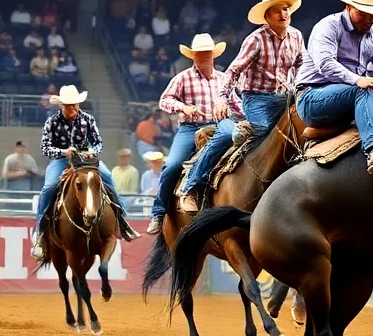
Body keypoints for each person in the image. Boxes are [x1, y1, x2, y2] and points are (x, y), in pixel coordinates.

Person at [178, 0, 305, 213]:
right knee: (264, 132)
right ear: (267, 17)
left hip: (286, 97)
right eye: (276, 11)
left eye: (285, 9)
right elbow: (234, 70)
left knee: (306, 130)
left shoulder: (296, 36)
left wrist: (304, 88)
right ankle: (192, 187)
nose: (283, 14)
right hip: (257, 99)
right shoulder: (255, 40)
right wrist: (222, 99)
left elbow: (303, 65)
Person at [294, 0, 373, 177]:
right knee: (366, 89)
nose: (368, 20)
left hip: (346, 100)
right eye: (362, 14)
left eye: (372, 15)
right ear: (348, 7)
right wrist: (357, 80)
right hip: (312, 97)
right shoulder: (328, 26)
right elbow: (325, 64)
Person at [147, 34, 241, 234]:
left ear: (213, 55)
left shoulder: (225, 79)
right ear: (193, 56)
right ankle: (159, 212)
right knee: (172, 164)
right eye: (200, 54)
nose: (204, 57)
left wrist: (247, 117)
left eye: (207, 53)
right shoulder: (182, 78)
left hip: (219, 126)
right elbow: (164, 101)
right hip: (191, 128)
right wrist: (184, 107)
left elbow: (236, 104)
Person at [30, 85, 138, 257]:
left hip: (85, 159)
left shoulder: (88, 119)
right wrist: (63, 152)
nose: (72, 108)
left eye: (75, 104)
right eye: (68, 105)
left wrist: (92, 152)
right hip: (60, 161)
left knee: (108, 176)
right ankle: (39, 233)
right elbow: (45, 148)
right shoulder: (52, 122)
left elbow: (98, 143)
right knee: (49, 187)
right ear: (61, 106)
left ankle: (122, 220)